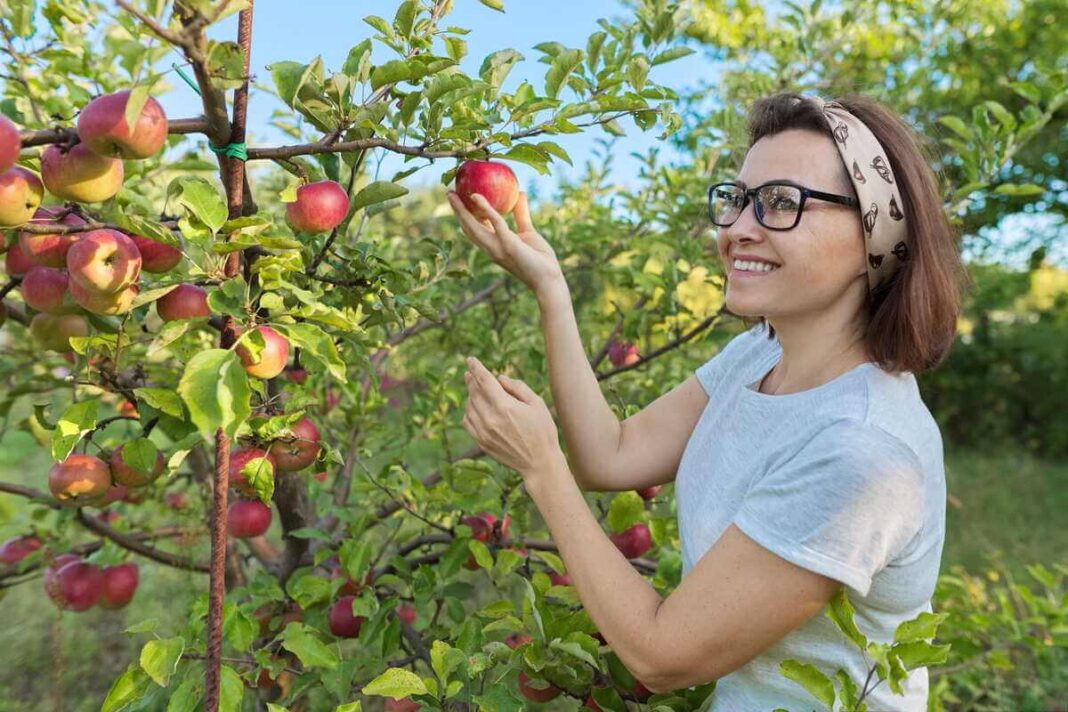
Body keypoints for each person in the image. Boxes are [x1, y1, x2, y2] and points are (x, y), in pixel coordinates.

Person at [447, 91, 967, 711]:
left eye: (782, 202)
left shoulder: (861, 451)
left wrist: (540, 466)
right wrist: (550, 287)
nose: (738, 228)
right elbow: (612, 455)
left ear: (873, 234)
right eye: (738, 199)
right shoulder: (759, 354)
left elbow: (663, 656)